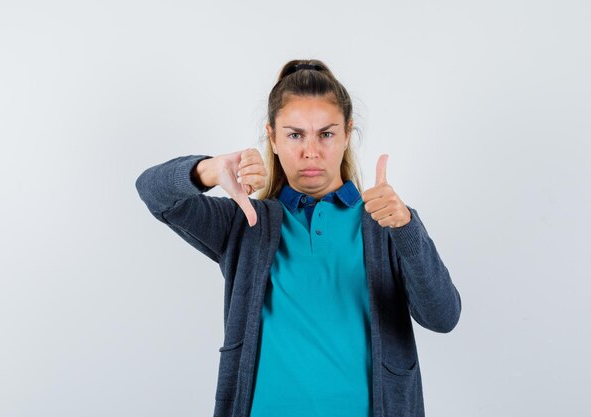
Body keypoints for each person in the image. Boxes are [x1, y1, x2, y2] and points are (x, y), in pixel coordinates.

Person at [135, 59, 461, 417]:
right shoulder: (247, 222)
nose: (311, 151)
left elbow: (443, 317)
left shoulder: (386, 220)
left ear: (347, 133)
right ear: (272, 137)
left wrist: (406, 229)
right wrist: (209, 170)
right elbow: (153, 191)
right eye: (294, 135)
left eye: (326, 133)